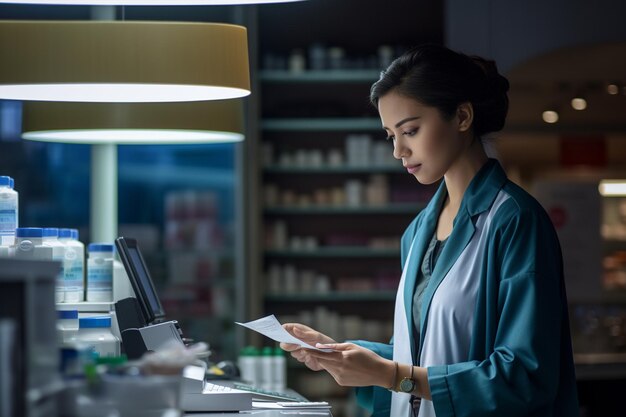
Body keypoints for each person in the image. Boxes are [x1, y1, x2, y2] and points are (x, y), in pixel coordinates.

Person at [280, 44, 580, 417]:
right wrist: (340, 354)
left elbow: (524, 376)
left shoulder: (515, 221)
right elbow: (420, 355)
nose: (398, 151)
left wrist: (391, 375)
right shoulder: (418, 230)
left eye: (411, 130)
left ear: (462, 116)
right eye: (391, 135)